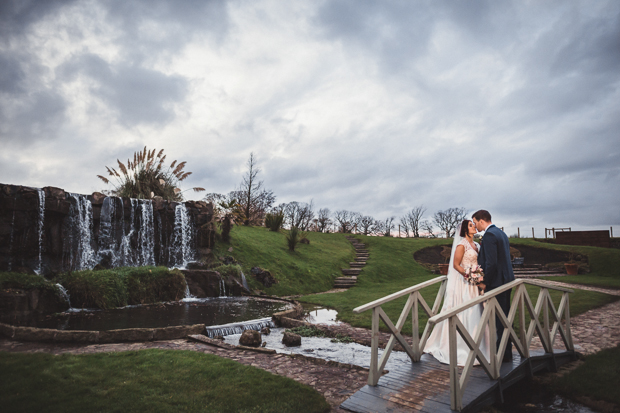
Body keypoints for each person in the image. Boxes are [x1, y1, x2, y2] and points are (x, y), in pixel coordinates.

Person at [425, 220, 489, 366]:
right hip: (465, 283)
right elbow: (455, 265)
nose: (474, 227)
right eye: (471, 225)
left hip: (476, 283)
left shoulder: (477, 245)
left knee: (478, 311)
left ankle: (480, 345)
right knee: (467, 311)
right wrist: (471, 277)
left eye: (474, 225)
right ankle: (462, 347)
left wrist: (479, 277)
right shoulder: (462, 245)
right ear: (465, 230)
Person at [472, 210, 515, 362]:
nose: (475, 226)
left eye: (475, 222)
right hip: (507, 280)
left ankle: (503, 354)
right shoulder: (501, 233)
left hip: (497, 283)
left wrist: (485, 282)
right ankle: (506, 353)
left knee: (499, 320)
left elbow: (491, 263)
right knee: (505, 317)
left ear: (482, 221)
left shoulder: (489, 236)